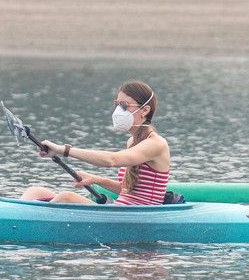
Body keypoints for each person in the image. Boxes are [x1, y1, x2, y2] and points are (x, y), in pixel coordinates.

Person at [20, 81, 171, 205]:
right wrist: (96, 179)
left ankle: (21, 226)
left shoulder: (156, 144)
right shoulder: (132, 141)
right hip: (122, 210)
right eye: (117, 104)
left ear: (144, 110)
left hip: (138, 216)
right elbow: (128, 190)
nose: (118, 110)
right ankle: (13, 216)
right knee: (35, 191)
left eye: (124, 106)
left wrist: (63, 150)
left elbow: (112, 160)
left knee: (67, 197)